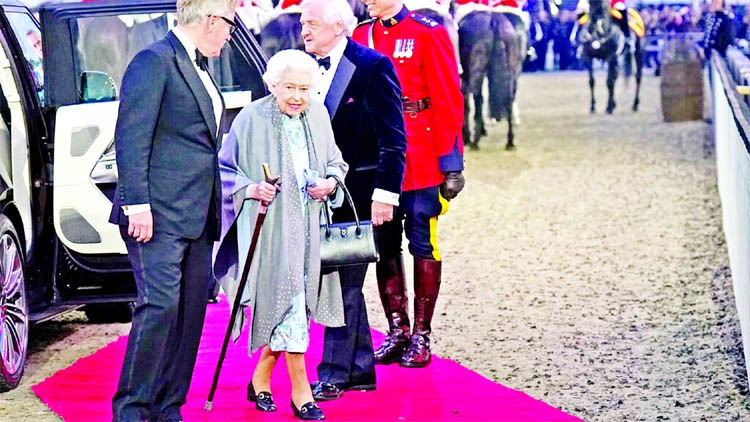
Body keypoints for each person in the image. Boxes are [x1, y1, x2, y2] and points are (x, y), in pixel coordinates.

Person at [108, 0, 236, 420]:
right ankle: (131, 407)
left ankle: (168, 406)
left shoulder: (200, 65)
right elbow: (131, 136)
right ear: (212, 21)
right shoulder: (154, 60)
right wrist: (136, 205)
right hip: (157, 214)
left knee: (190, 311)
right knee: (160, 305)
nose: (231, 34)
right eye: (230, 24)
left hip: (198, 214)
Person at [213, 49, 348, 421]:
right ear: (272, 85)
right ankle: (302, 393)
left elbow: (336, 160)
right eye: (289, 87)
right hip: (270, 231)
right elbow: (223, 171)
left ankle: (260, 380)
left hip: (310, 229)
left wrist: (331, 182)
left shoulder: (318, 114)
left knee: (297, 303)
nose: (297, 97)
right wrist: (252, 188)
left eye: (305, 89)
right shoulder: (250, 119)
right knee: (287, 301)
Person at [299, 0, 407, 401]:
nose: (304, 31)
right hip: (315, 198)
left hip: (361, 197)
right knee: (342, 282)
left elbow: (394, 140)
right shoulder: (301, 68)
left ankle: (333, 373)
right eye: (302, 23)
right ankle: (360, 370)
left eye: (311, 23)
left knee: (339, 284)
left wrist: (386, 195)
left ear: (339, 26)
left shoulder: (374, 66)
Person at [352, 0, 465, 368]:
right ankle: (397, 331)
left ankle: (421, 334)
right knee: (384, 243)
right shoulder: (361, 34)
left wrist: (451, 163)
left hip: (420, 156)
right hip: (379, 158)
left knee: (421, 242)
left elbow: (448, 98)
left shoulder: (427, 33)